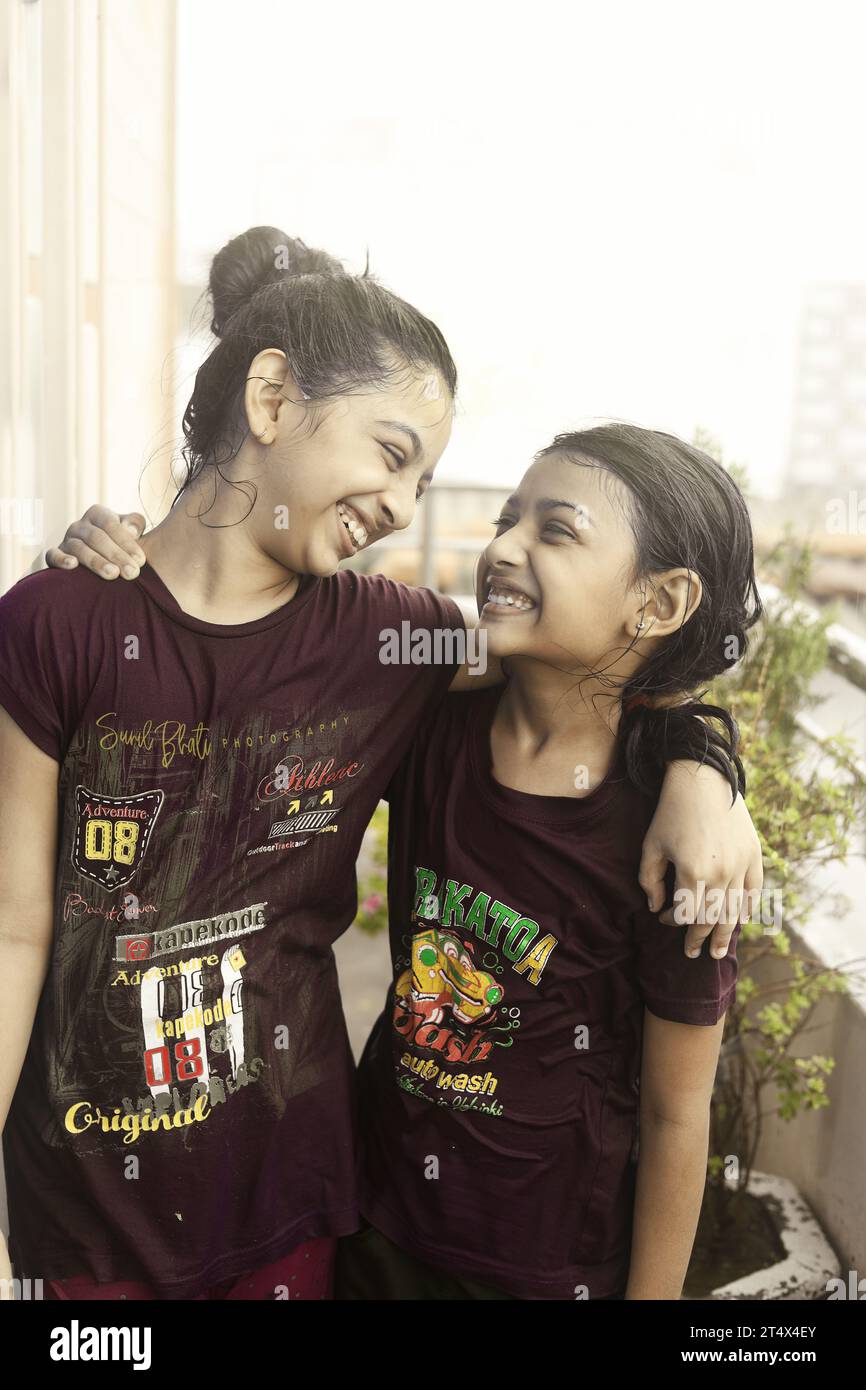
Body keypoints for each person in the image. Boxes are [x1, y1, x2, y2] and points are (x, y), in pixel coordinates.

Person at [0, 226, 761, 1301]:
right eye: (394, 457)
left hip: (295, 1199)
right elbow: (15, 927)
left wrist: (703, 759)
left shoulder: (387, 642)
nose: (407, 510)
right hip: (86, 1208)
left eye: (428, 480)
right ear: (271, 400)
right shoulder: (61, 626)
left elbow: (595, 653)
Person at [336, 424, 760, 1301]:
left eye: (555, 530)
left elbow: (679, 1115)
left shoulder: (674, 839)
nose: (502, 548)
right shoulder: (428, 726)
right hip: (377, 1220)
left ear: (661, 601)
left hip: (545, 1268)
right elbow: (285, 637)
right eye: (506, 519)